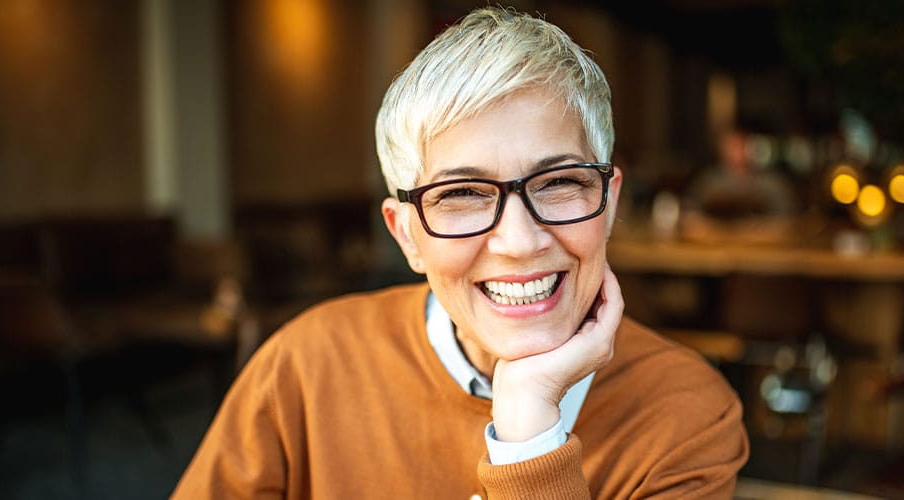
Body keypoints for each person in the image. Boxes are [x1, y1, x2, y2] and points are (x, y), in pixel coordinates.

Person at [173, 7, 747, 499]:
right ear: (406, 237)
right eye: (462, 195)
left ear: (608, 202)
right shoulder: (305, 366)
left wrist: (530, 432)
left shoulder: (686, 414)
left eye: (559, 183)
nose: (520, 243)